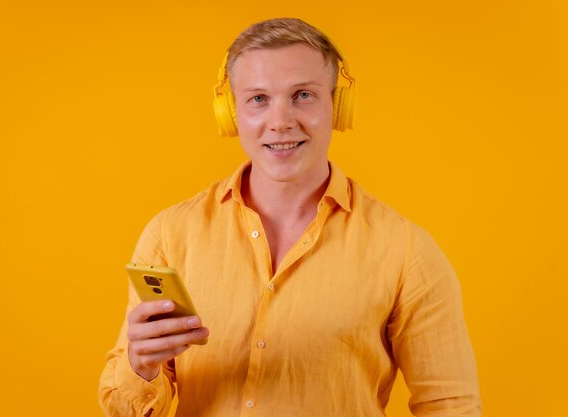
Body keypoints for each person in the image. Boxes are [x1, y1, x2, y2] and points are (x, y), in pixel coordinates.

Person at [98, 18, 481, 417]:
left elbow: (451, 406)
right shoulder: (170, 235)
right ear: (230, 114)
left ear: (337, 105)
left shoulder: (406, 252)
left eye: (302, 95)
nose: (280, 121)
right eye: (258, 99)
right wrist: (141, 366)